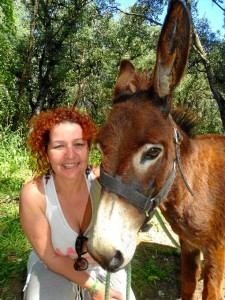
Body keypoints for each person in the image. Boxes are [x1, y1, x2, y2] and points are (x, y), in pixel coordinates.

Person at [19, 107, 136, 300]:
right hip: (53, 268)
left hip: (102, 266)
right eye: (59, 146)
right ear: (46, 152)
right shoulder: (34, 194)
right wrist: (95, 288)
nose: (70, 155)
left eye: (79, 144)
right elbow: (51, 257)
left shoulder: (105, 182)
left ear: (89, 148)